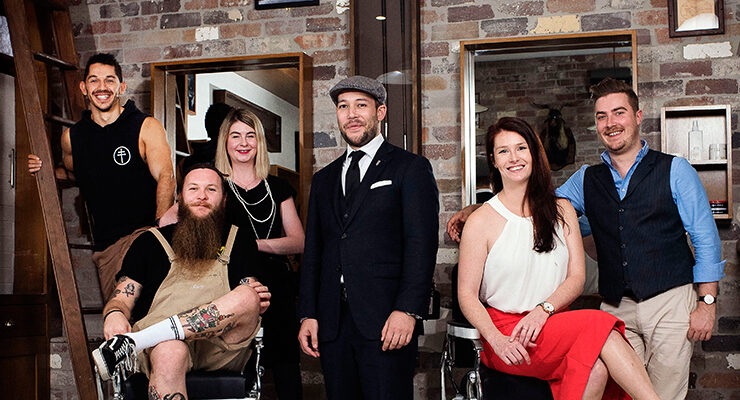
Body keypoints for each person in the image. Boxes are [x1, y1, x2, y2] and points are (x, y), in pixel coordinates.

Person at [449, 78, 725, 400]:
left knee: (665, 391)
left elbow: (705, 239)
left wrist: (707, 302)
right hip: (617, 306)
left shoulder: (675, 169)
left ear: (637, 117)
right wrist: (476, 211)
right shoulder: (584, 180)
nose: (610, 123)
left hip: (669, 302)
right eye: (601, 116)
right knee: (618, 391)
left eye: (619, 113)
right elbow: (530, 214)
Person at [458, 116, 660, 400]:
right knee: (600, 324)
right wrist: (496, 339)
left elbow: (577, 278)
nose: (514, 157)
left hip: (552, 323)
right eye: (503, 151)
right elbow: (466, 294)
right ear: (493, 160)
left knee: (597, 370)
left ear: (534, 153)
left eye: (521, 148)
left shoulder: (562, 210)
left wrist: (543, 310)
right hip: (506, 332)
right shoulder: (480, 221)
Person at [297, 75, 439, 400]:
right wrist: (308, 313)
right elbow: (314, 251)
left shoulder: (410, 168)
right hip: (332, 323)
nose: (352, 114)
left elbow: (421, 245)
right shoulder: (323, 179)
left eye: (361, 105)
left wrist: (407, 310)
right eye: (343, 107)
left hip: (387, 319)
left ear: (380, 112)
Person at [92, 165, 270, 400]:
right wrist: (115, 313)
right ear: (180, 197)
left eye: (211, 189)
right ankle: (152, 338)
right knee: (169, 352)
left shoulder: (240, 240)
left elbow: (249, 294)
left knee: (248, 295)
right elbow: (122, 298)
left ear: (224, 199)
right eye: (193, 189)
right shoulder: (149, 243)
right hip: (163, 347)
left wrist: (256, 301)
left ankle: (135, 342)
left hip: (221, 347)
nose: (202, 196)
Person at [28, 53, 175, 299]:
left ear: (121, 87)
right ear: (84, 88)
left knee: (146, 308)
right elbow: (72, 174)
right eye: (94, 80)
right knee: (120, 314)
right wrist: (43, 168)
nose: (102, 87)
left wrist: (159, 231)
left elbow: (166, 176)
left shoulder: (146, 126)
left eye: (109, 80)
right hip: (107, 246)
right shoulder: (72, 138)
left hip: (144, 234)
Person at [214, 108, 305, 399]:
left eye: (250, 135)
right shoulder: (214, 186)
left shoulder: (277, 187)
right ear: (225, 141)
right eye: (236, 136)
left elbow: (299, 242)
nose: (243, 143)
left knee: (286, 368)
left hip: (277, 286)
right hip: (230, 286)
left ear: (259, 142)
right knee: (235, 368)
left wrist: (252, 244)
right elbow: (173, 222)